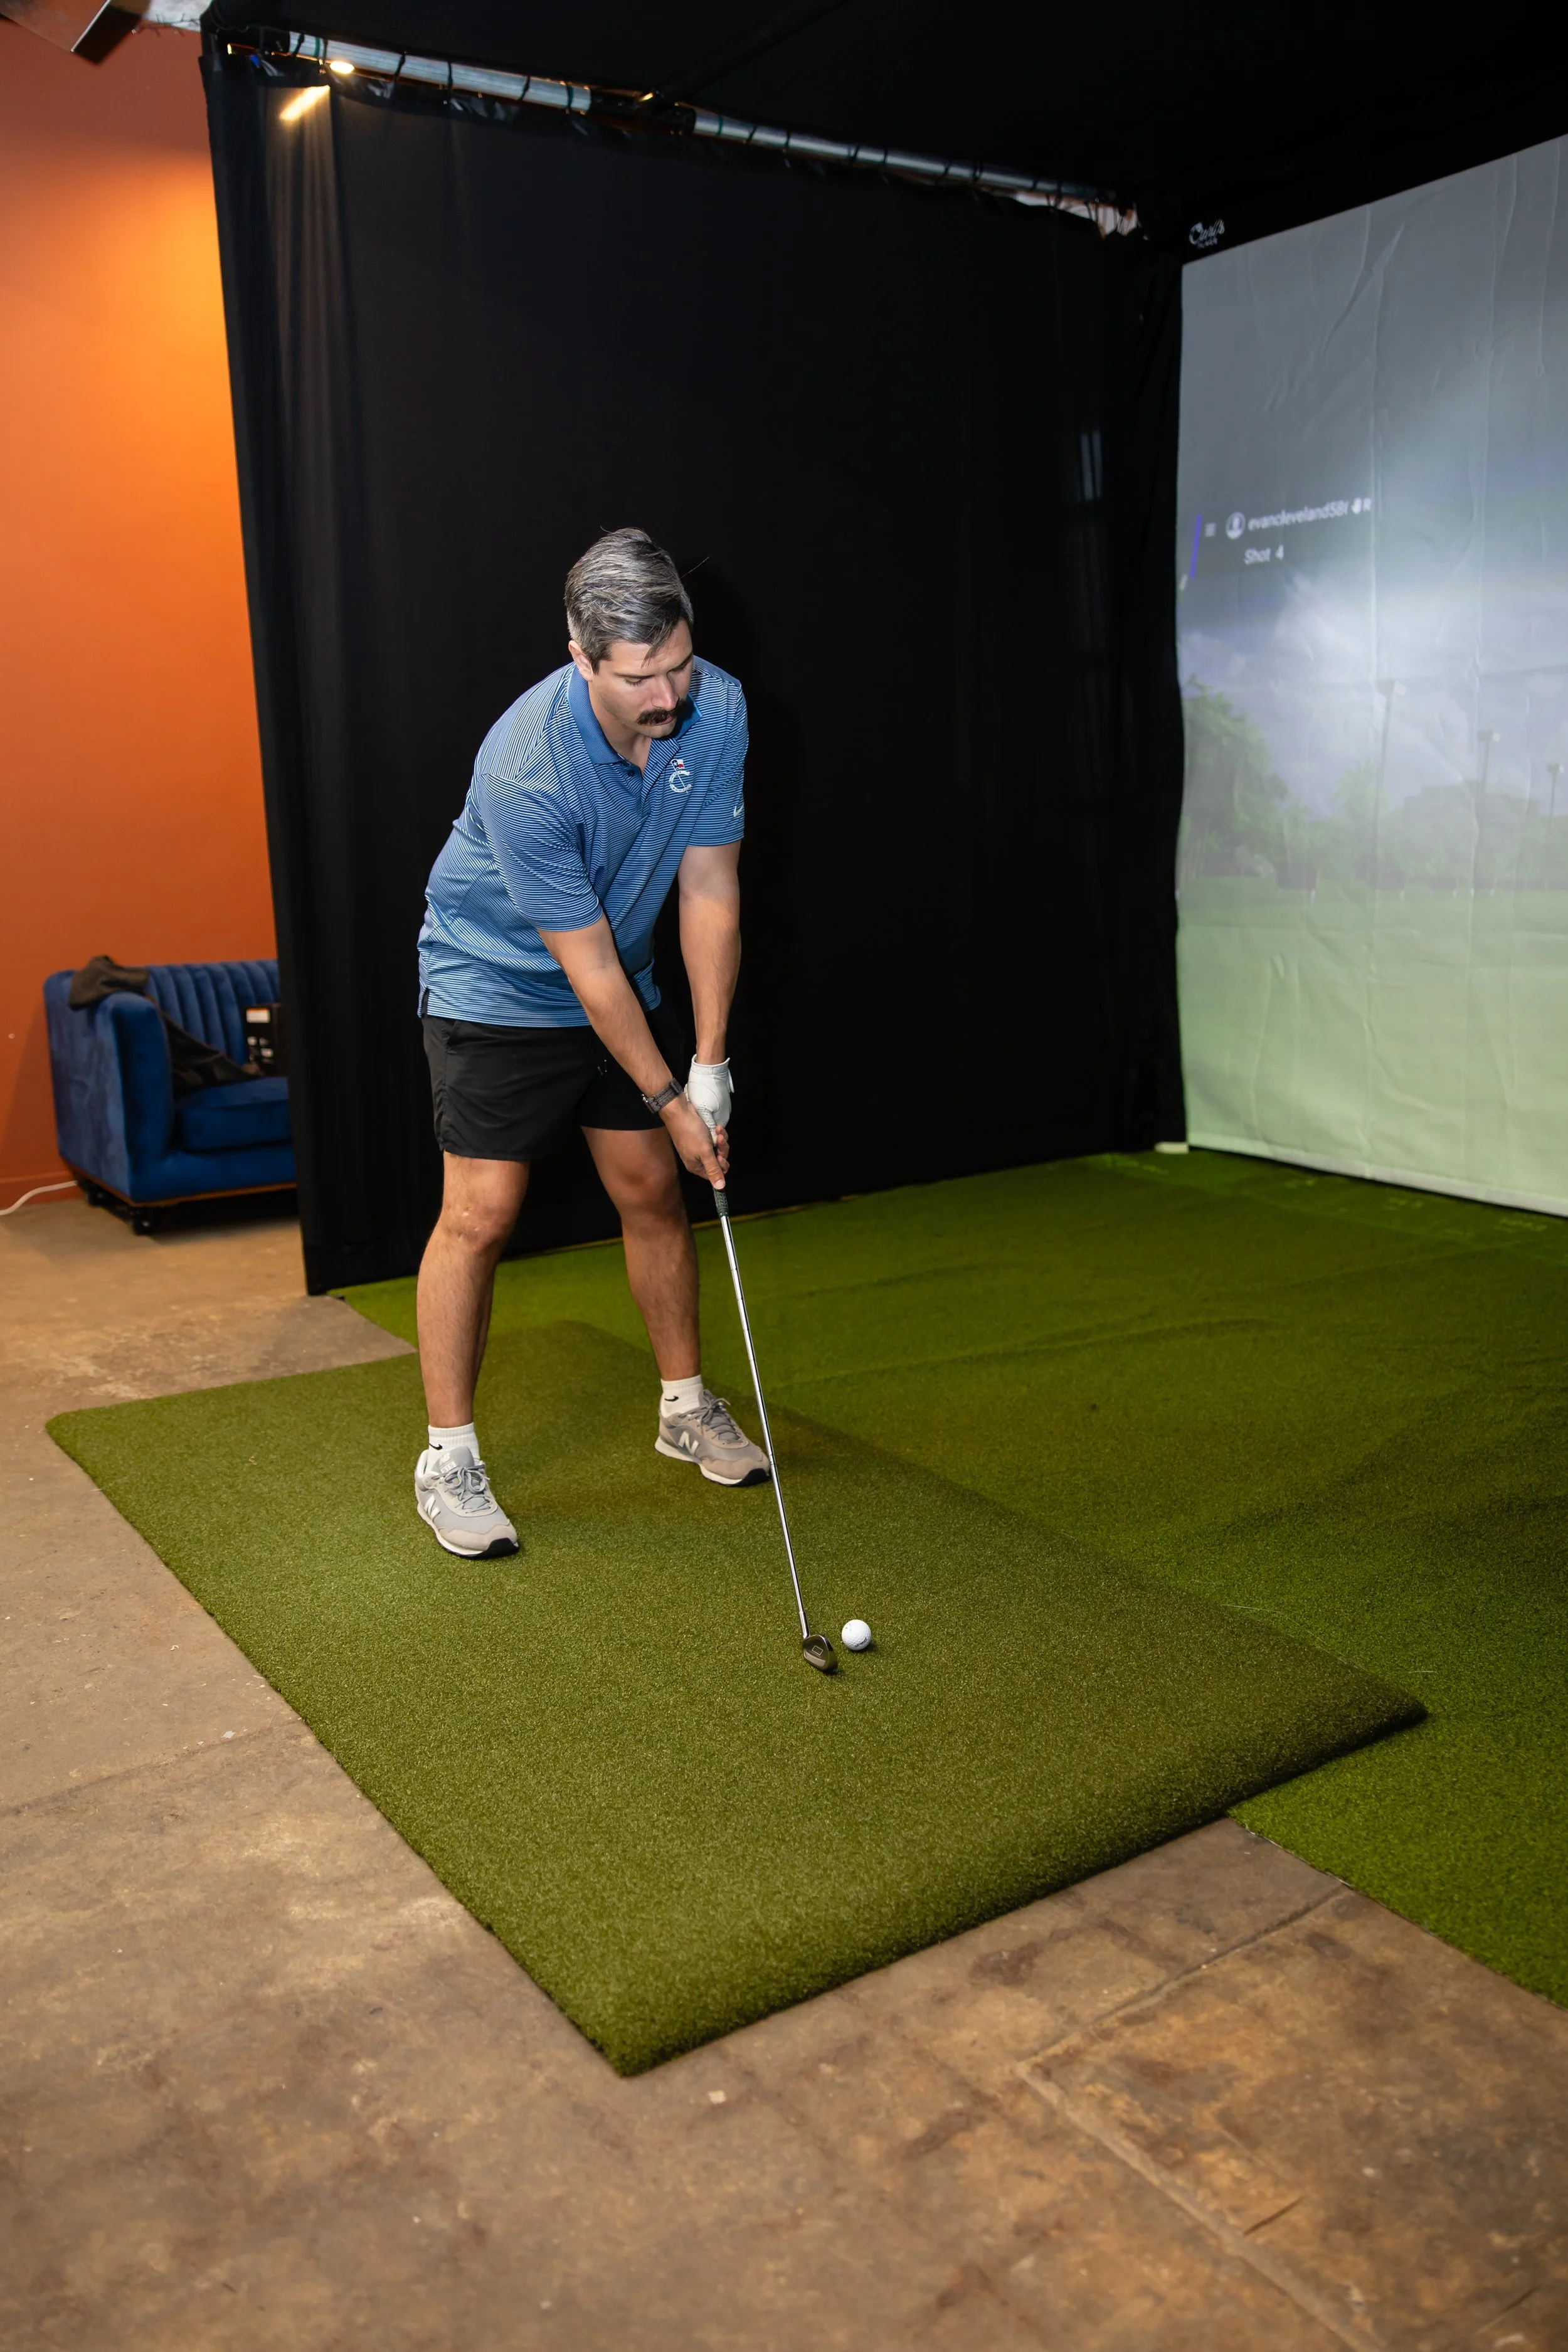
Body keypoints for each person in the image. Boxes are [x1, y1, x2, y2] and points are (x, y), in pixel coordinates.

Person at [411, 528, 768, 1558]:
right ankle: (449, 1457)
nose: (670, 696)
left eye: (680, 664)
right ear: (582, 657)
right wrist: (667, 1098)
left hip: (624, 977)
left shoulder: (722, 709)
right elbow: (587, 971)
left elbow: (708, 889)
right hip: (496, 985)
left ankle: (684, 1404)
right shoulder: (527, 766)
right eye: (641, 678)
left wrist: (709, 1065)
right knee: (481, 1211)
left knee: (653, 1188)